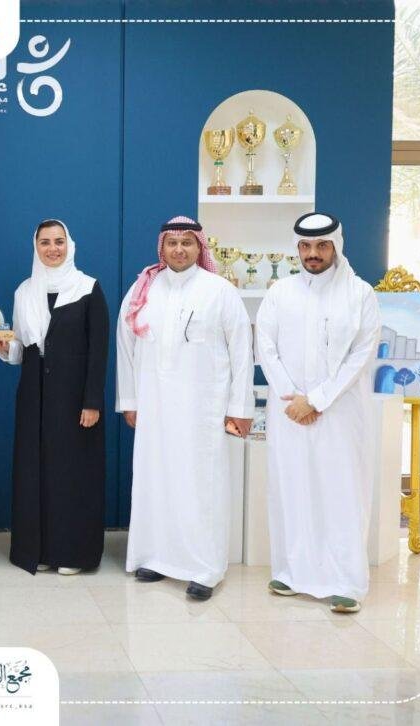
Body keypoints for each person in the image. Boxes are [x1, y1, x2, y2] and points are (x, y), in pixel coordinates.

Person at [116, 216, 253, 600]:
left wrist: (240, 407)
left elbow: (242, 350)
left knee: (201, 486)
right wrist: (129, 400)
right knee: (155, 479)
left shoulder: (219, 290)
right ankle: (154, 557)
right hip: (155, 406)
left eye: (187, 242)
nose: (179, 249)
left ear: (199, 247)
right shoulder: (143, 289)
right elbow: (125, 347)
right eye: (172, 242)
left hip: (203, 409)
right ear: (161, 247)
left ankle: (205, 569)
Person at [255, 212, 381, 614]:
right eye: (306, 246)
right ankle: (291, 572)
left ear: (335, 247)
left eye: (322, 246)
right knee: (291, 487)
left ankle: (346, 582)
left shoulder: (360, 294)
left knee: (341, 491)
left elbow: (361, 356)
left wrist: (318, 399)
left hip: (340, 413)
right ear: (297, 249)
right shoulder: (280, 292)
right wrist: (292, 396)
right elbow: (265, 346)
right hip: (289, 410)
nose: (313, 253)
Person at [0, 219, 108, 575]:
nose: (52, 249)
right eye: (45, 242)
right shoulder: (25, 291)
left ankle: (71, 554)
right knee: (35, 469)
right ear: (36, 247)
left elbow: (99, 350)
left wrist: (92, 401)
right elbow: (21, 348)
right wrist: (2, 346)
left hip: (74, 394)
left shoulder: (88, 288)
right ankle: (36, 550)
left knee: (71, 471)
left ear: (69, 245)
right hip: (33, 392)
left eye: (59, 241)